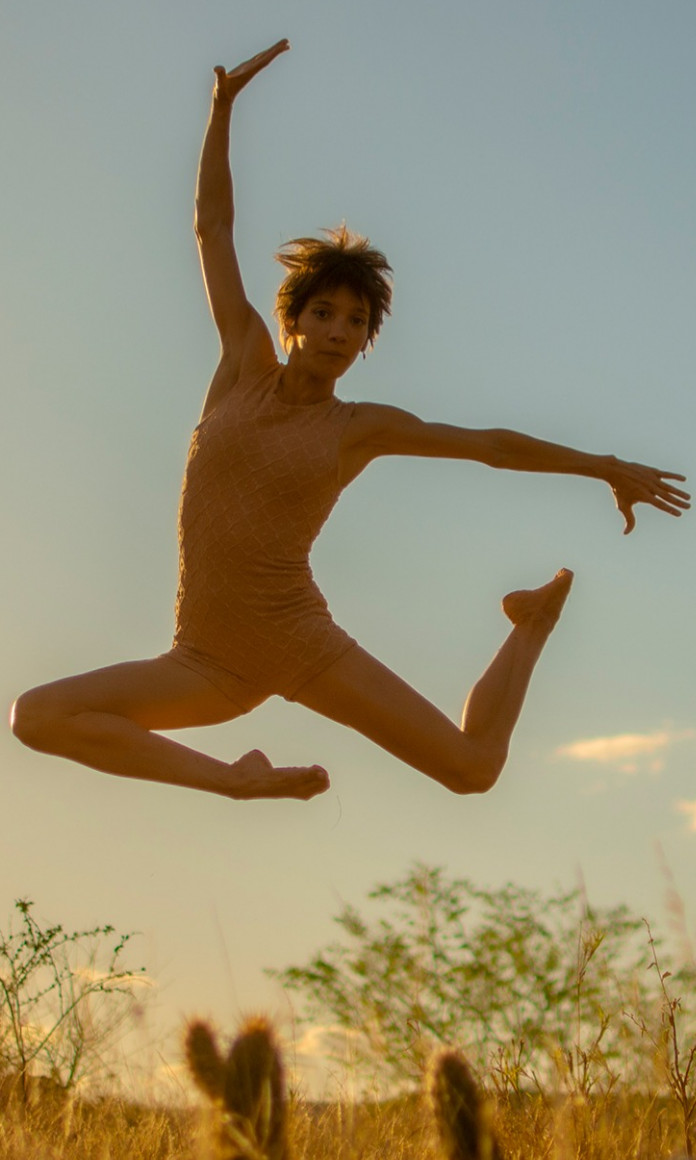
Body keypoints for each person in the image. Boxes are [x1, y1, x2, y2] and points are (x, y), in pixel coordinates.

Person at [11, 40, 690, 804]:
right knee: (37, 716)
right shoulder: (241, 366)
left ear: (366, 342)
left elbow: (490, 447)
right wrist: (221, 112)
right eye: (324, 313)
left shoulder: (361, 426)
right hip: (204, 659)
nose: (338, 330)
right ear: (292, 320)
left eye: (356, 321)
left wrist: (603, 464)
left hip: (300, 640)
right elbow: (212, 228)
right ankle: (236, 781)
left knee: (471, 770)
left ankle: (528, 626)